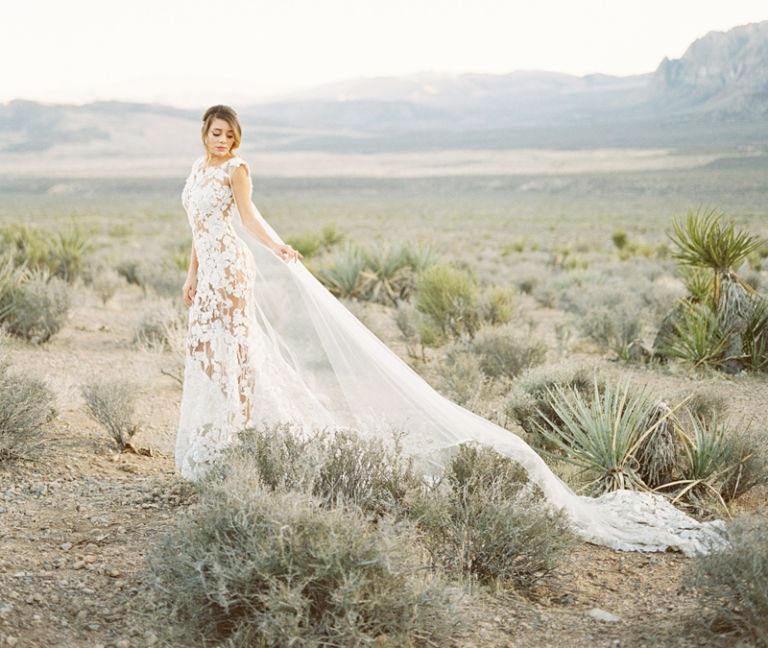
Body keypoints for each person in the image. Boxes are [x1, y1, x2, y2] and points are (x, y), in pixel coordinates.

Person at [176, 103, 723, 556]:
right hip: (208, 270)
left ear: (236, 138)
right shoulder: (197, 171)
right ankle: (218, 434)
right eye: (215, 132)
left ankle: (239, 436)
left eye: (229, 134)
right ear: (204, 133)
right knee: (206, 356)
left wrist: (277, 247)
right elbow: (198, 229)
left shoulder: (235, 171)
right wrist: (191, 275)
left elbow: (246, 220)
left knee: (240, 354)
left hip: (234, 271)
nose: (221, 140)